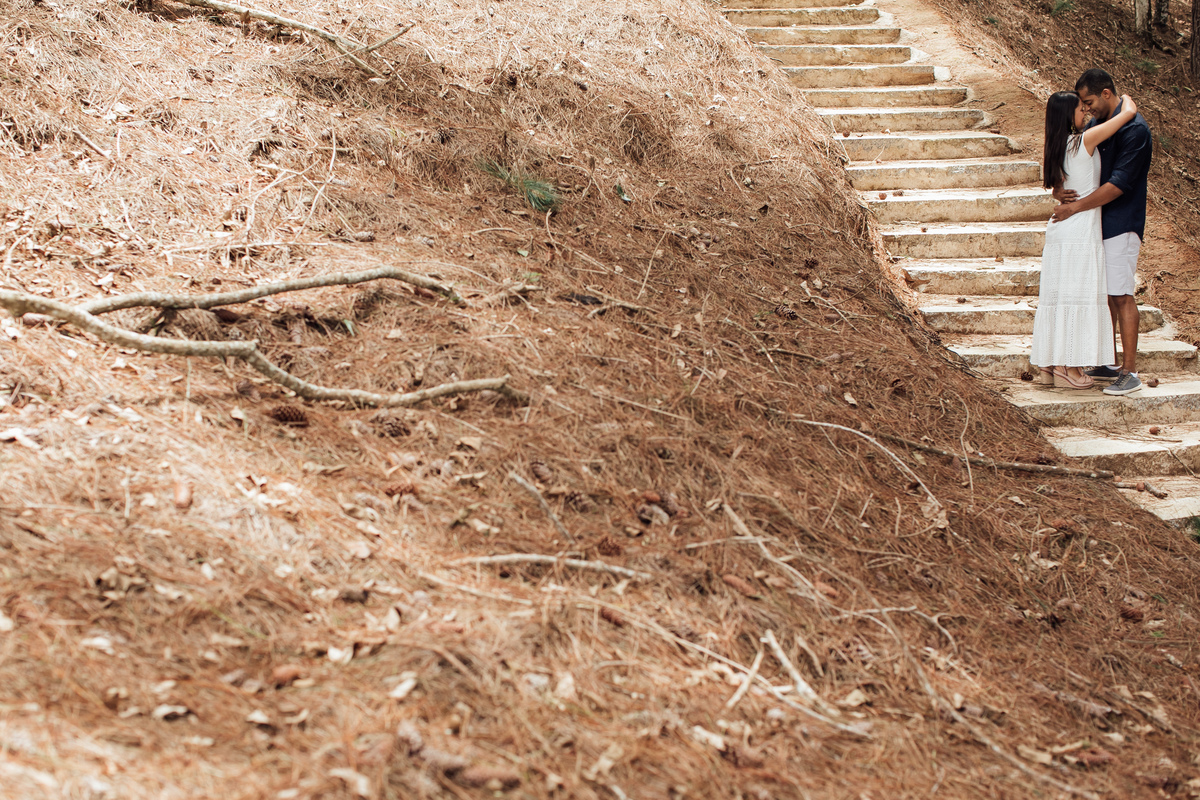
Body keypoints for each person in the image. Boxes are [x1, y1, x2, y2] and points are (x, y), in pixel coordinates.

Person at [1050, 69, 1153, 396]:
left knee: (1122, 295)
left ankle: (1130, 372)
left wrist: (1073, 208)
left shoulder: (1135, 131)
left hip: (1122, 224)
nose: (1087, 108)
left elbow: (1117, 186)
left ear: (1107, 94)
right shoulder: (1097, 126)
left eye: (1089, 101)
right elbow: (1076, 166)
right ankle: (1108, 362)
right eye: (1083, 103)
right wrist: (1060, 192)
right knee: (1106, 294)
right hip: (1097, 225)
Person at [1031, 90, 1139, 388]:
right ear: (1069, 116)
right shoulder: (1084, 140)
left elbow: (1058, 186)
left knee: (1057, 297)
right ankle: (1071, 368)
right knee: (1077, 295)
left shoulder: (1055, 145)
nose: (1086, 114)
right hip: (1079, 229)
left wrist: (1057, 194)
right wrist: (1126, 99)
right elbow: (1127, 114)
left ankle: (1049, 366)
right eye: (1081, 109)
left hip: (1060, 231)